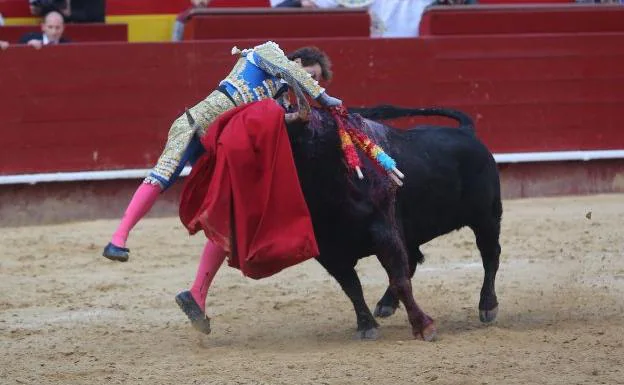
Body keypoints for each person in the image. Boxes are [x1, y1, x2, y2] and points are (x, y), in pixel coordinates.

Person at [102, 42, 341, 263]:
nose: (311, 81)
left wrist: (296, 118)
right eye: (311, 75)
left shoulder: (282, 100)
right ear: (297, 61)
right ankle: (117, 239)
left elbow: (274, 122)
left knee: (229, 202)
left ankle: (199, 288)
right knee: (163, 175)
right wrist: (323, 97)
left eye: (316, 80)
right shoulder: (266, 53)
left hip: (220, 146)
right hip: (195, 127)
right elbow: (291, 73)